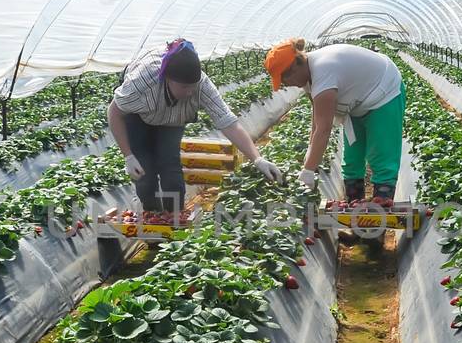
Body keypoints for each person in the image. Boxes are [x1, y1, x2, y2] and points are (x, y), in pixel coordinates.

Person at [108, 39, 280, 215]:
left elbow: (229, 123)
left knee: (170, 164)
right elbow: (114, 113)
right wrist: (128, 156)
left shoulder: (202, 86)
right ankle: (152, 218)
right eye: (184, 87)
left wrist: (257, 159)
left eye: (193, 86)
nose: (190, 92)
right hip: (139, 116)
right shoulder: (143, 82)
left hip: (173, 119)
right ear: (167, 78)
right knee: (144, 171)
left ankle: (174, 218)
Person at [265, 39, 405, 205]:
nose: (285, 84)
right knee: (352, 160)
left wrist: (309, 170)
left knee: (382, 156)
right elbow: (316, 122)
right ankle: (356, 216)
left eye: (285, 78)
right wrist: (309, 159)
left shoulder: (324, 71)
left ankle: (379, 216)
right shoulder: (308, 75)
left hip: (384, 92)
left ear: (297, 64)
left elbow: (324, 129)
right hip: (356, 101)